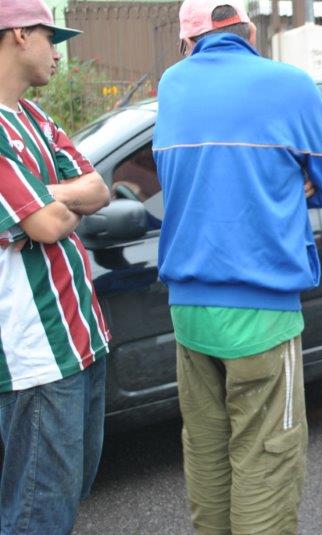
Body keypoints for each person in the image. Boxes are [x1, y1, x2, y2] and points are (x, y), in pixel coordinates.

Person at [152, 0, 322, 532]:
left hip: (187, 308)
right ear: (250, 31)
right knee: (267, 459)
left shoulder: (172, 83)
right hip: (262, 311)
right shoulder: (290, 83)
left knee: (207, 453)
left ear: (189, 42)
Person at [0, 0, 112, 532]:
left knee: (65, 495)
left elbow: (98, 189)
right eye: (52, 38)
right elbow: (46, 226)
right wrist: (50, 208)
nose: (58, 54)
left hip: (81, 337)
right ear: (20, 34)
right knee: (36, 512)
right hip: (36, 355)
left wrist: (41, 198)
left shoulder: (35, 116)